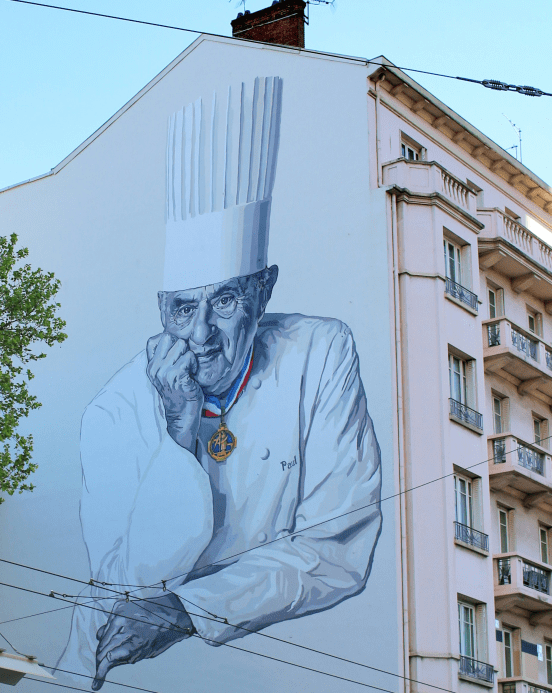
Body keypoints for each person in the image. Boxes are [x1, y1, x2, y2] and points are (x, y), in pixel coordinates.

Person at [54, 77, 382, 690]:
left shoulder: (321, 350)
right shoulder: (114, 411)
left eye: (224, 301)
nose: (201, 333)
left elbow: (337, 546)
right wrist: (178, 440)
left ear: (264, 290)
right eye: (181, 308)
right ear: (160, 305)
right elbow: (132, 579)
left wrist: (188, 610)